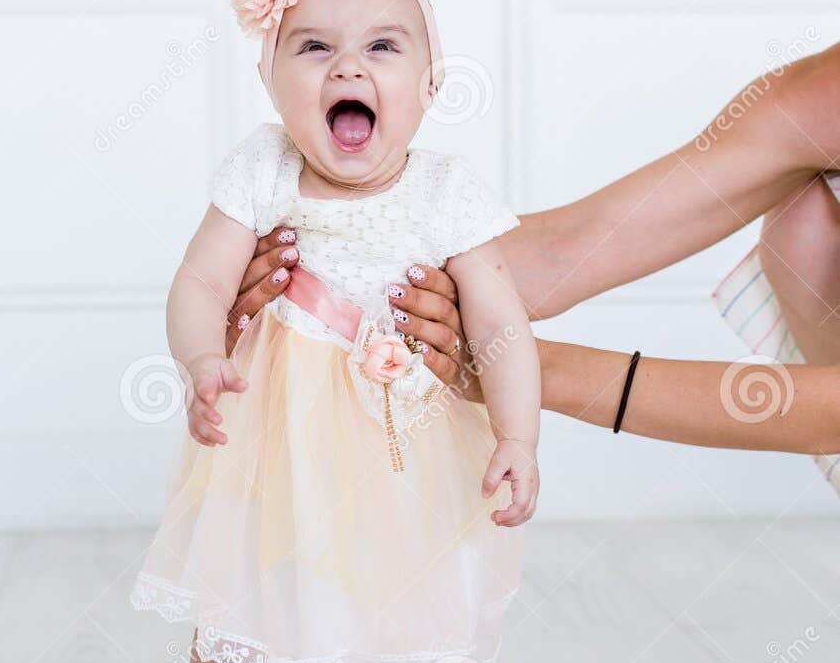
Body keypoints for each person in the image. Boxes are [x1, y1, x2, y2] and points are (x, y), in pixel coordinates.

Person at [130, 0, 540, 663]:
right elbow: (199, 283)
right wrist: (203, 361)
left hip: (406, 435)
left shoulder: (445, 191)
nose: (347, 64)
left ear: (430, 89)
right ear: (270, 79)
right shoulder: (262, 168)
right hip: (270, 430)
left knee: (416, 585)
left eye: (383, 48)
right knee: (234, 589)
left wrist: (517, 434)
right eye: (312, 47)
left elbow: (501, 323)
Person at [227, 41, 840, 486]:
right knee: (807, 212)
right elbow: (573, 246)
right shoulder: (819, 94)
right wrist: (327, 278)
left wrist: (520, 364)